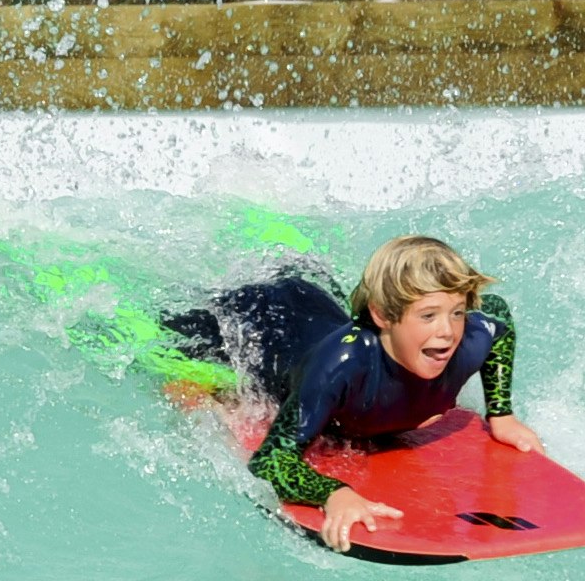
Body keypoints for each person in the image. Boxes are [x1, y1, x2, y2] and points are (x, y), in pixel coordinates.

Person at [161, 234, 539, 552]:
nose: (447, 331)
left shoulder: (466, 342)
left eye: (456, 312)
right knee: (184, 381)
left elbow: (498, 317)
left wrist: (501, 414)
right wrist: (332, 493)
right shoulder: (343, 366)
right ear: (383, 316)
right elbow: (270, 461)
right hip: (261, 319)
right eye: (428, 316)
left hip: (317, 307)